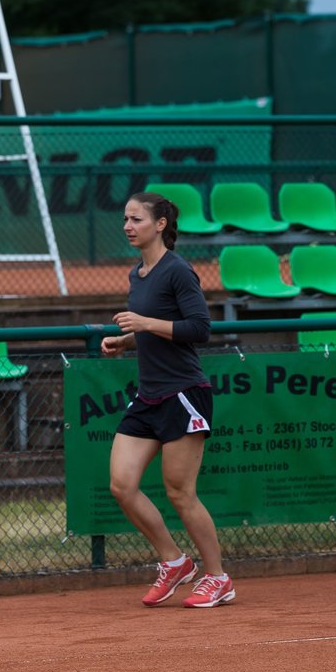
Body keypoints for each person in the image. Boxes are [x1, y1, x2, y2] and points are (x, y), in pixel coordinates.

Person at [101, 191, 232, 609]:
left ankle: (218, 577)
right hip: (149, 395)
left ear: (160, 225)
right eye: (125, 218)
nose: (127, 226)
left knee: (180, 493)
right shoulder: (136, 274)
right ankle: (174, 561)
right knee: (122, 485)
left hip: (184, 394)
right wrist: (126, 340)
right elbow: (154, 331)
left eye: (136, 219)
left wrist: (143, 323)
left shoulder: (178, 271)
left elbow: (199, 329)